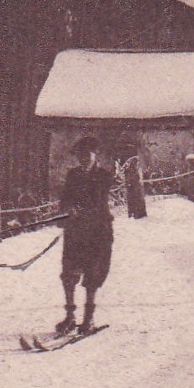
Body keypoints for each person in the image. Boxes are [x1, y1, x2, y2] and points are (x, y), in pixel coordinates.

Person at [57, 136, 115, 335]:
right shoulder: (72, 175)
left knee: (93, 273)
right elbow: (65, 198)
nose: (83, 159)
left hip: (98, 232)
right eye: (80, 155)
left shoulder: (104, 176)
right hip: (75, 231)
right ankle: (70, 316)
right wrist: (68, 209)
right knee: (69, 273)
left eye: (87, 155)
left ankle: (88, 318)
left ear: (95, 155)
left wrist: (81, 211)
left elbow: (99, 202)